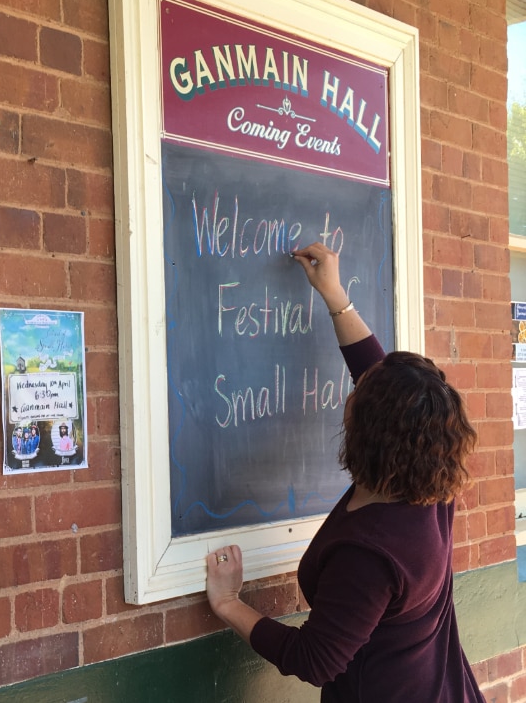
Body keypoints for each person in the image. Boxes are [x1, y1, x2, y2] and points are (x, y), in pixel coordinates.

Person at [206, 242, 485, 703]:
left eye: (358, 401)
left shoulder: (370, 556)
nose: (349, 399)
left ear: (373, 435)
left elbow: (315, 659)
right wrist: (336, 297)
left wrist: (228, 604)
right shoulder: (427, 483)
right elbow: (377, 376)